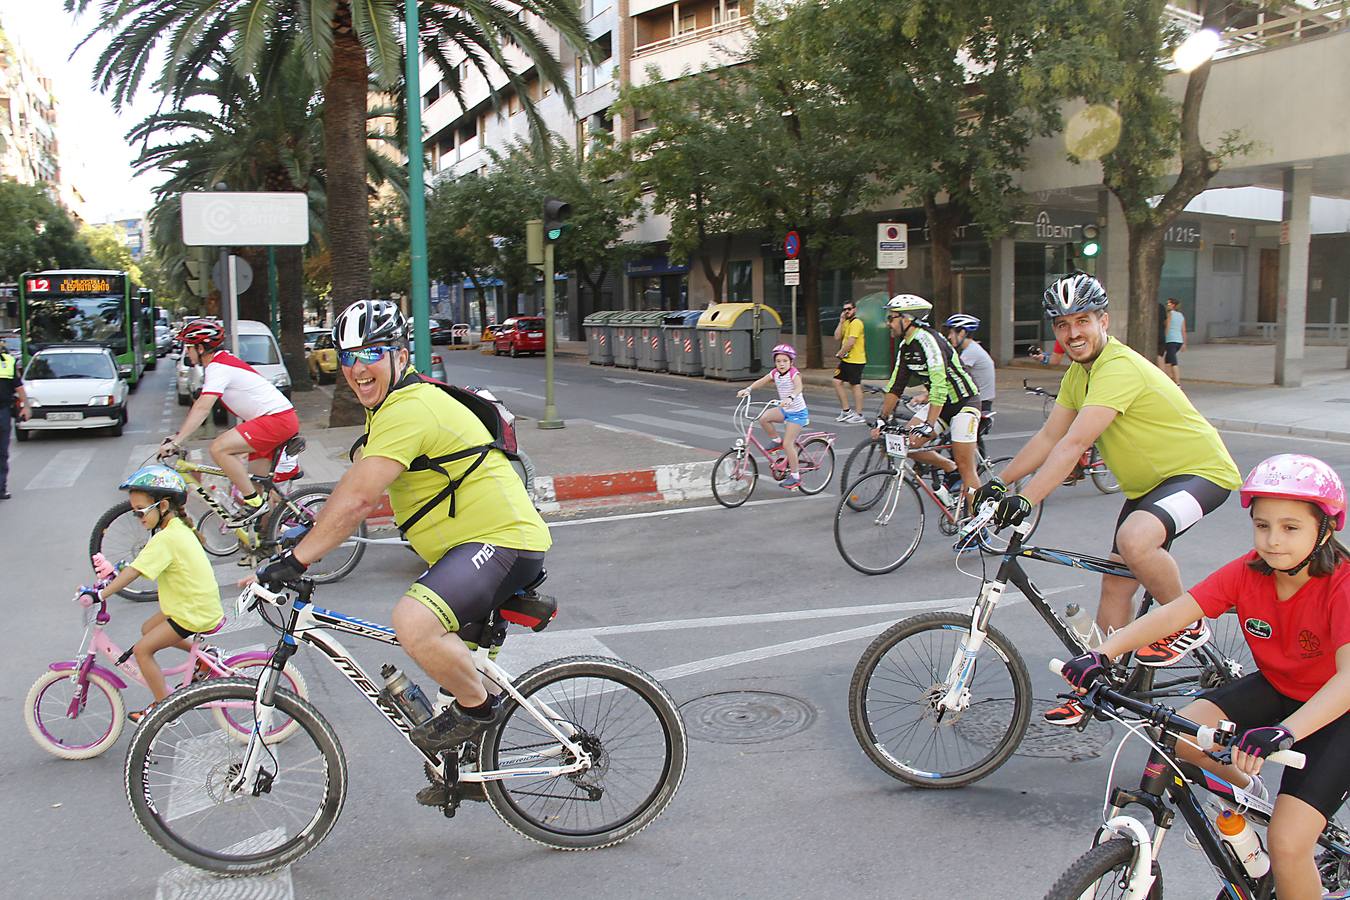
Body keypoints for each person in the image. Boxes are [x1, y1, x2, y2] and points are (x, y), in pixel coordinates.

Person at [254, 300, 551, 804]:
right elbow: (349, 487)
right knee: (446, 669)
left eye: (372, 352)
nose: (357, 368)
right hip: (466, 549)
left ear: (400, 353)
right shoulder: (389, 412)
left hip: (500, 541)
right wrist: (293, 543)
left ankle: (482, 712)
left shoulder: (409, 407)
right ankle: (473, 769)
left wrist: (297, 561)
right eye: (346, 357)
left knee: (413, 624)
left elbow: (358, 500)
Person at [1058, 454, 1350, 900]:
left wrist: (1287, 732)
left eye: (1291, 528)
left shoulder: (1341, 586)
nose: (1272, 541)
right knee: (1178, 737)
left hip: (1337, 711)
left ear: (1325, 529)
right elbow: (1177, 612)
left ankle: (1281, 848)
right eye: (1262, 525)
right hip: (1279, 688)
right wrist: (1100, 654)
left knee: (1289, 845)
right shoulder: (1249, 571)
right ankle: (1248, 797)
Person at [972, 272, 1242, 725]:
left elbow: (1074, 444)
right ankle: (1101, 686)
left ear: (1104, 320)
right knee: (1116, 583)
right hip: (1148, 488)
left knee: (1136, 541)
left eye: (1082, 320)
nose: (1073, 332)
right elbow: (1049, 435)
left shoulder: (1117, 366)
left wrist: (1029, 499)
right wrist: (1000, 481)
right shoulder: (1081, 373)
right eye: (1062, 324)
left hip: (1199, 473)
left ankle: (1186, 622)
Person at [92, 465, 224, 722]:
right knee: (147, 629)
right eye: (134, 513)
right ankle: (206, 658)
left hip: (191, 612)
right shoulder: (174, 530)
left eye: (141, 511)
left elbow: (133, 572)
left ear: (163, 506)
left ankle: (163, 707)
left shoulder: (166, 539)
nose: (138, 517)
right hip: (189, 605)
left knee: (142, 651)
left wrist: (102, 594)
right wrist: (112, 571)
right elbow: (138, 565)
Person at [160, 319, 298, 526]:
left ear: (200, 347)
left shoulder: (218, 366)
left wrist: (178, 442)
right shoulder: (221, 363)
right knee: (256, 487)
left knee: (218, 448)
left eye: (188, 347)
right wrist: (178, 435)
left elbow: (203, 407)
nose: (187, 352)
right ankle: (265, 542)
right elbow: (199, 404)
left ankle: (254, 504)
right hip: (272, 420)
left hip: (276, 420)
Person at [871, 295, 981, 512]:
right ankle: (949, 467)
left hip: (964, 403)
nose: (888, 323)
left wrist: (929, 424)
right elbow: (895, 385)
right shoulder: (906, 346)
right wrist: (881, 419)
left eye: (891, 318)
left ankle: (980, 527)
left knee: (967, 466)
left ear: (908, 319)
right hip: (940, 406)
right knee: (903, 444)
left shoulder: (929, 341)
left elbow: (939, 385)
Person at [739, 343, 809, 489]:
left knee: (788, 444)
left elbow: (799, 387)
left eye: (785, 361)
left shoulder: (793, 373)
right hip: (784, 409)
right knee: (764, 418)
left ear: (791, 362)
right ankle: (776, 440)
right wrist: (748, 389)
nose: (781, 364)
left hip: (797, 413)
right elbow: (762, 381)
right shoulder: (775, 373)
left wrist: (791, 397)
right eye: (778, 361)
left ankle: (795, 476)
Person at [943, 313, 996, 421]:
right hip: (980, 400)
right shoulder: (972, 348)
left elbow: (952, 375)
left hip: (978, 403)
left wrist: (925, 396)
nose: (949, 337)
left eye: (951, 333)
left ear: (962, 333)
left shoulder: (971, 352)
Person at [0, 341, 30, 500]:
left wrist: (26, 406)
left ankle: (1, 488)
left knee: (2, 453)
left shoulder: (8, 361)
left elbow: (18, 387)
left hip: (3, 411)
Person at [832, 302, 867, 424]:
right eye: (845, 309)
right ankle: (846, 411)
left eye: (849, 309)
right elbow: (837, 336)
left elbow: (851, 342)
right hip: (847, 360)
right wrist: (841, 321)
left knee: (855, 385)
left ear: (855, 309)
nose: (847, 311)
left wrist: (840, 353)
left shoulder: (857, 323)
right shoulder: (846, 322)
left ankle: (859, 414)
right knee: (837, 381)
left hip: (856, 360)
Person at [1162, 297, 1187, 386]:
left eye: (1168, 304)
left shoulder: (1170, 314)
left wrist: (1164, 338)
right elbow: (1183, 330)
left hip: (1171, 340)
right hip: (1179, 340)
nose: (1167, 305)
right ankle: (1169, 379)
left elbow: (1167, 327)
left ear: (1173, 305)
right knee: (1167, 360)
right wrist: (1184, 343)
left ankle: (1177, 382)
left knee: (1172, 361)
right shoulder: (1181, 315)